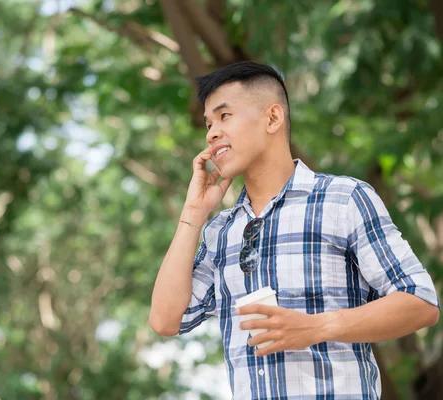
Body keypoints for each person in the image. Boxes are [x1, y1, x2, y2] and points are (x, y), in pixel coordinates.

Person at [148, 61, 440, 399]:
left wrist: (317, 327)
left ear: (273, 118)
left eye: (224, 116)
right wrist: (193, 213)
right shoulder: (221, 230)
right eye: (208, 123)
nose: (211, 133)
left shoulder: (343, 199)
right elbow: (166, 320)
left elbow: (420, 302)